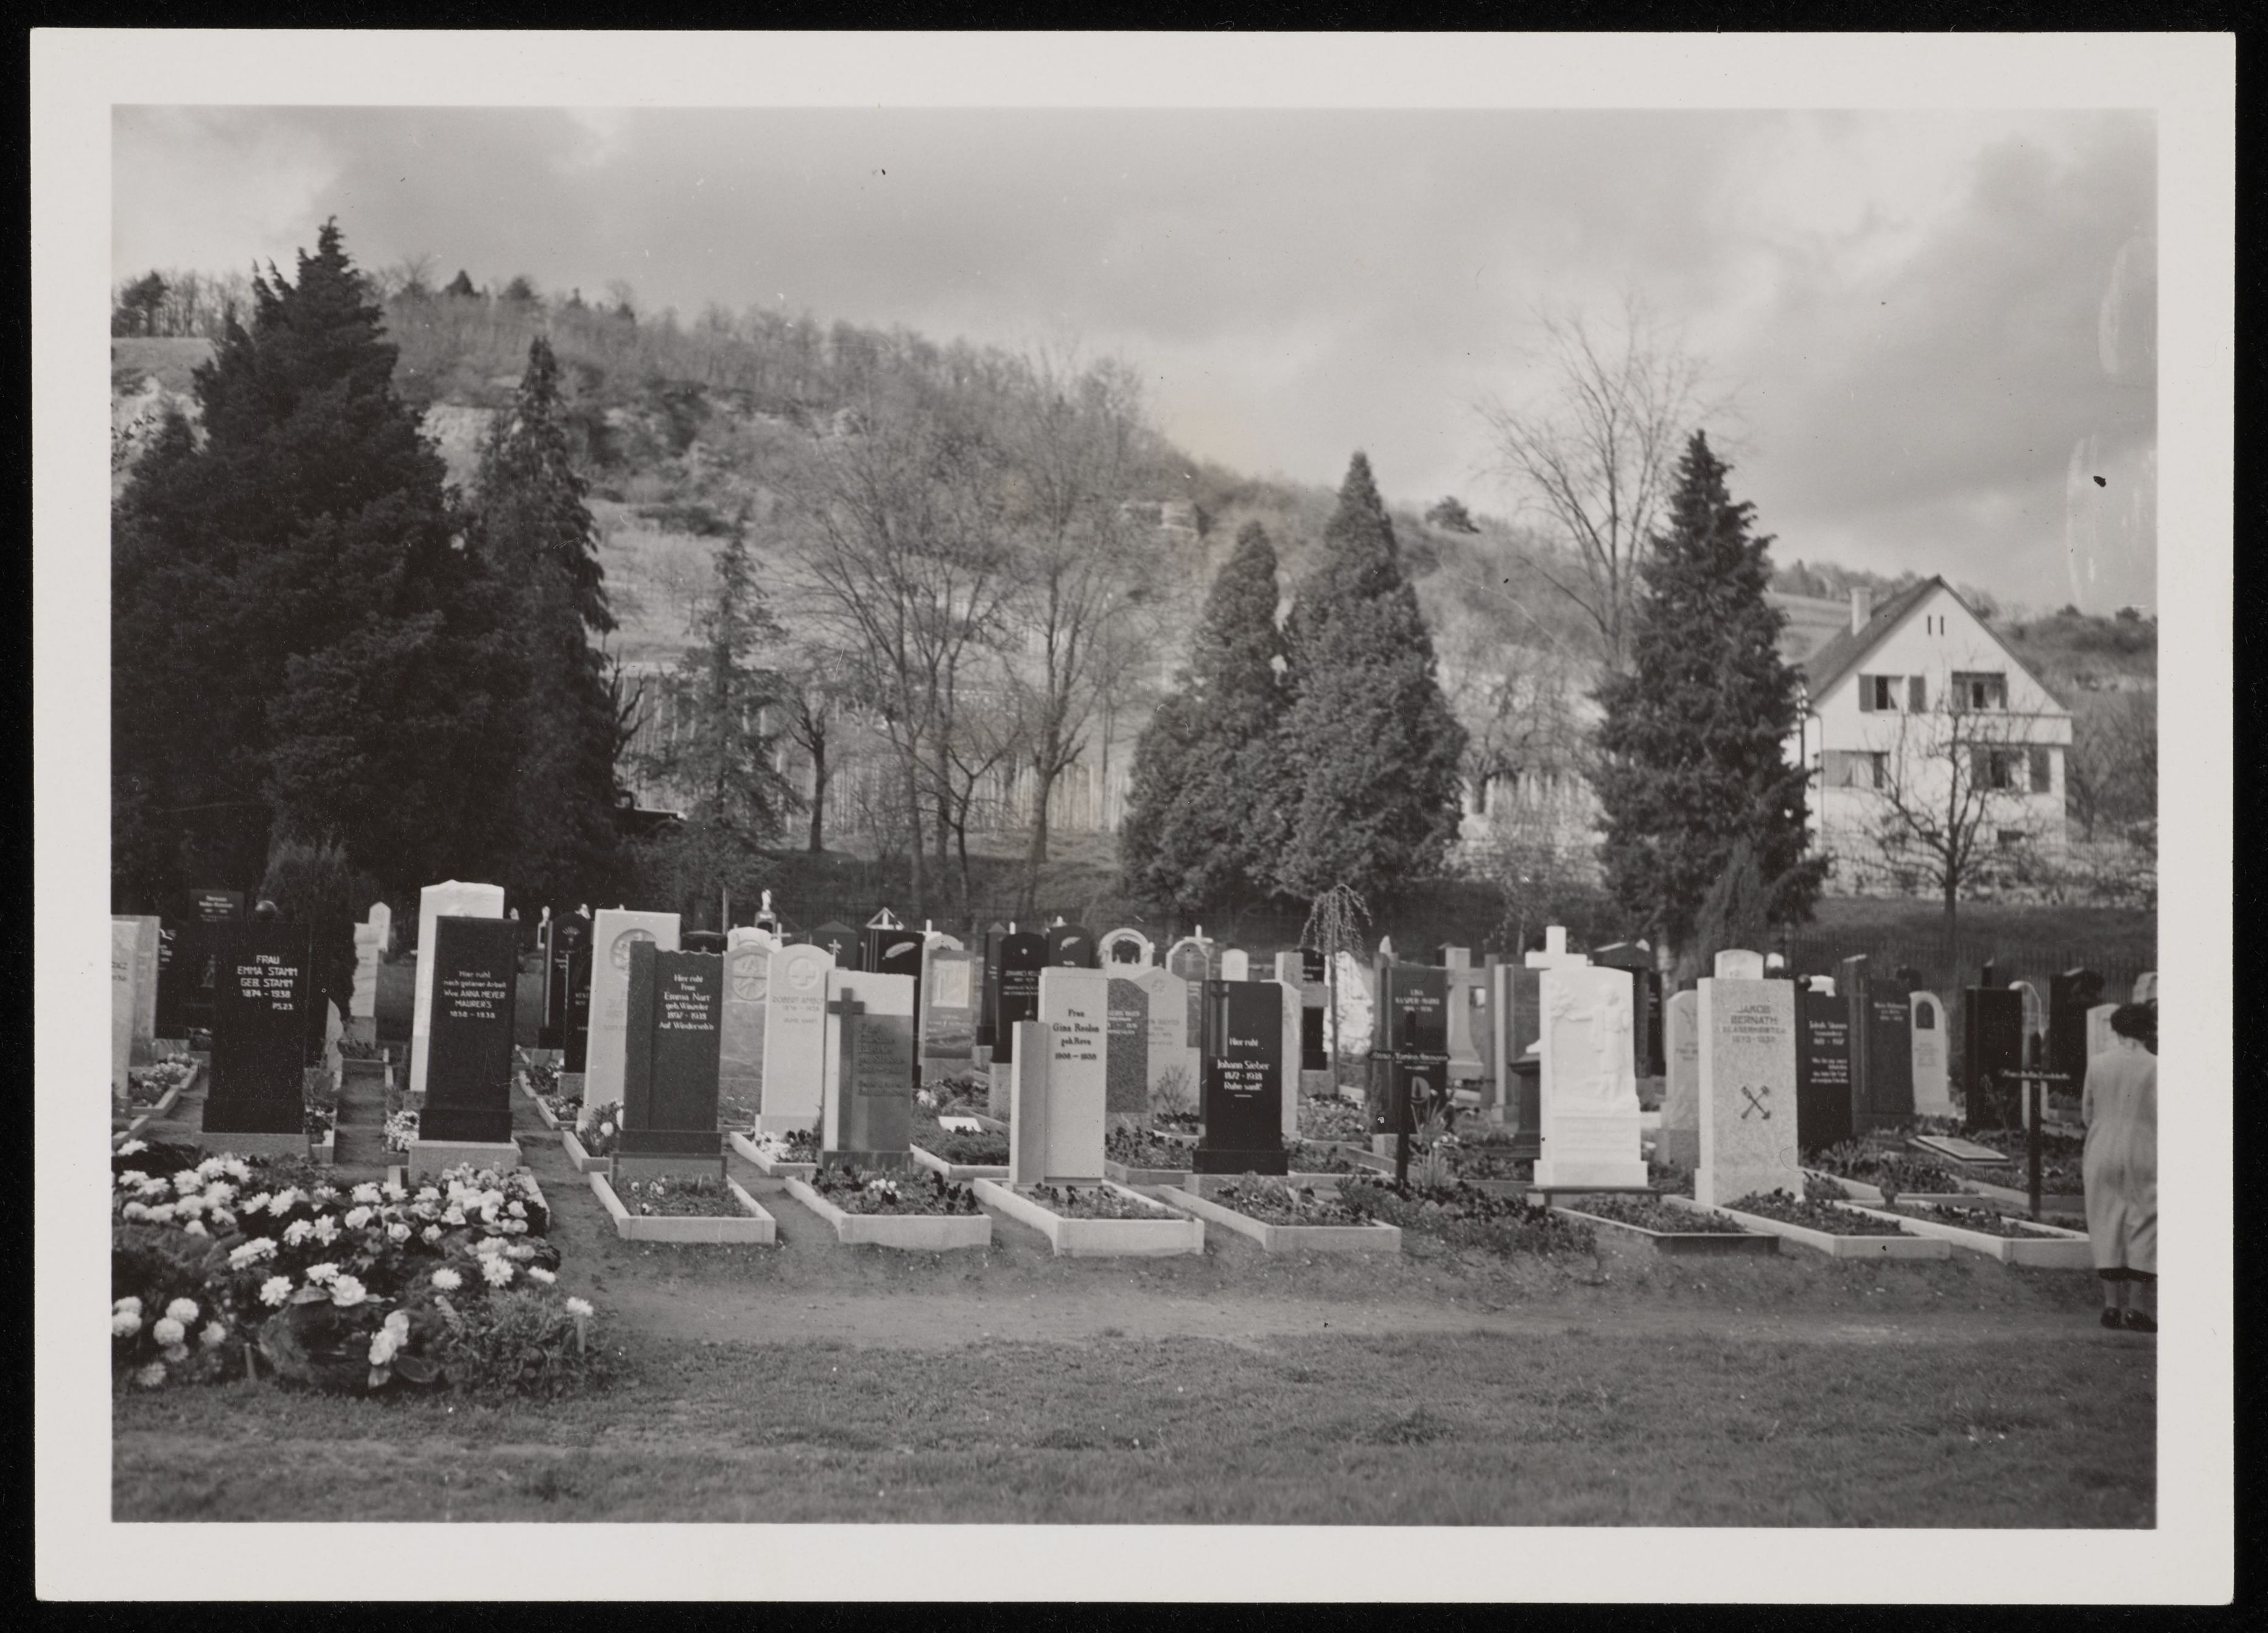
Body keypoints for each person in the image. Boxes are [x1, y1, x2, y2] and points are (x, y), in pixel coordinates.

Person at [2082, 1002, 2157, 1333]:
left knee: (2105, 1220)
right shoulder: (2157, 1067)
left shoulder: (2098, 1064)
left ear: (2116, 1029)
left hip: (2102, 1146)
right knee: (2146, 1222)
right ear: (2148, 1030)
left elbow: (2086, 1111)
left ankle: (2111, 1307)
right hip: (2144, 1148)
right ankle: (2137, 1309)